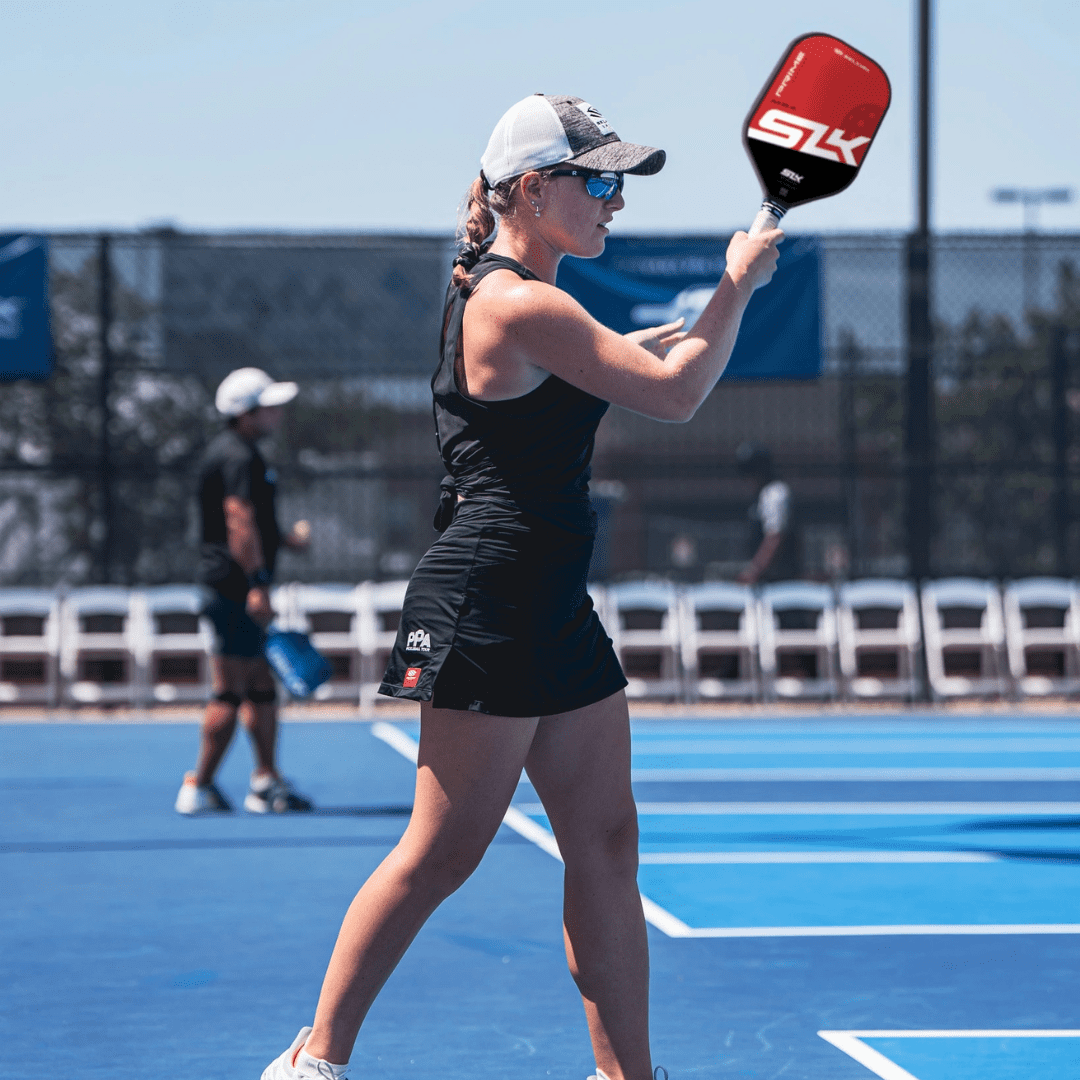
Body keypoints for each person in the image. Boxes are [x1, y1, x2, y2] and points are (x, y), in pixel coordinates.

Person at [262, 94, 781, 1080]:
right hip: (484, 600)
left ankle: (627, 1075)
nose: (615, 201)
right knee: (442, 852)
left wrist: (657, 337)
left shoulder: (530, 300)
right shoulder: (518, 302)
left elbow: (607, 373)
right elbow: (676, 394)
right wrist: (737, 282)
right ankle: (312, 1063)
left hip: (548, 600)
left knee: (607, 841)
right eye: (599, 182)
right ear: (534, 191)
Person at [175, 367, 314, 816]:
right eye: (267, 407)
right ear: (245, 413)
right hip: (232, 588)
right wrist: (257, 585)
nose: (276, 414)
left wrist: (286, 541)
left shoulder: (243, 454)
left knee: (261, 687)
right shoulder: (237, 455)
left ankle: (265, 781)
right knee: (230, 691)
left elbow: (252, 523)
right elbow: (238, 519)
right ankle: (198, 785)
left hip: (236, 586)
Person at [735, 443, 797, 584]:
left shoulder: (775, 493)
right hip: (767, 579)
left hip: (781, 581)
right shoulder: (762, 495)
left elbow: (775, 536)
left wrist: (755, 571)